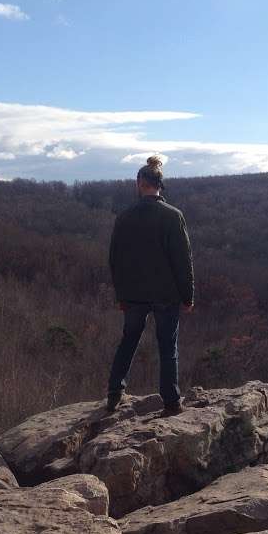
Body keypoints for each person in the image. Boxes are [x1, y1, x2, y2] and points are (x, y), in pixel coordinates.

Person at [106, 156, 194, 415]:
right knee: (168, 347)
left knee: (129, 341)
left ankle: (114, 393)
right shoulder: (173, 216)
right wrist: (187, 296)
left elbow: (115, 260)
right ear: (160, 185)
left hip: (133, 294)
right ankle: (171, 401)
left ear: (139, 183)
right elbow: (183, 261)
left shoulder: (124, 218)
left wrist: (121, 294)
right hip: (166, 294)